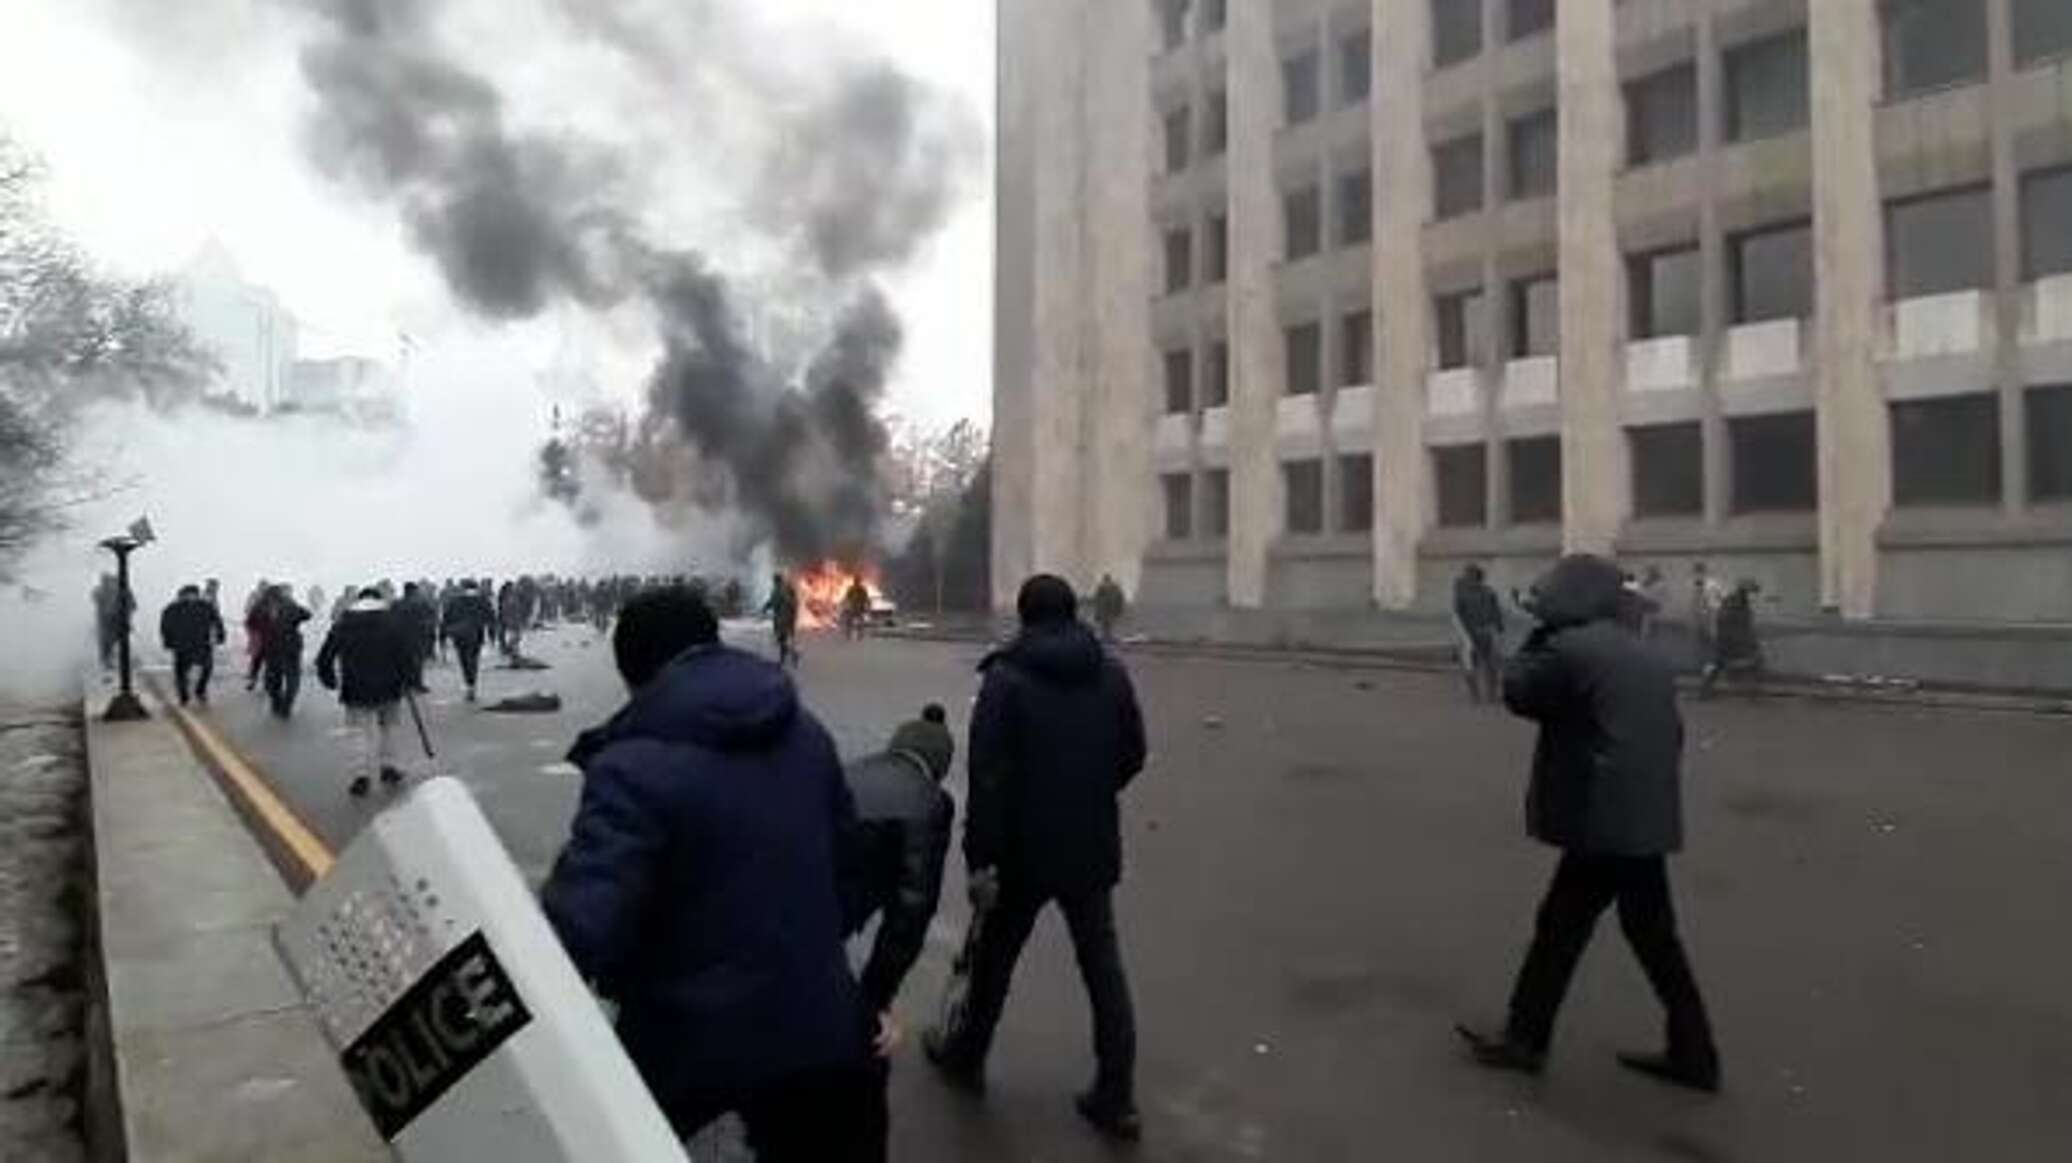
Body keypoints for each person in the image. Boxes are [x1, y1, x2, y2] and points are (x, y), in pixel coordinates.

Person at [540, 587, 884, 1160]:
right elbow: (855, 870)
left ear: (635, 673)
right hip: (814, 1020)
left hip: (684, 1031)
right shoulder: (805, 733)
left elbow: (586, 921)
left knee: (593, 1138)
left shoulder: (632, 765)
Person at [1456, 554, 1720, 1093]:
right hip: (1645, 815)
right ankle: (1695, 1053)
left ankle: (1525, 1040)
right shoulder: (1639, 651)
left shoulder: (1569, 648)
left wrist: (1538, 628)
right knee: (1652, 936)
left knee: (1560, 926)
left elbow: (1519, 692)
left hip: (1605, 820)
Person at [924, 575, 1148, 1142]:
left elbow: (990, 780)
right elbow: (1133, 754)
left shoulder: (1006, 680)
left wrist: (981, 860)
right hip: (1091, 845)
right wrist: (1092, 793)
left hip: (1022, 853)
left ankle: (967, 1056)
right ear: (1074, 612)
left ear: (1024, 618)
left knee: (994, 961)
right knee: (1103, 968)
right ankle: (1117, 1097)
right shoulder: (1111, 674)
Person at [843, 705, 957, 1026]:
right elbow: (912, 910)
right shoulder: (930, 803)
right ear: (940, 766)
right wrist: (876, 997)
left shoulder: (851, 769)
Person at [315, 588, 418, 797]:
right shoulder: (392, 621)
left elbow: (325, 656)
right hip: (390, 685)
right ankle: (389, 767)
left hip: (356, 685)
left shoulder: (345, 622)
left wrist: (329, 679)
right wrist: (410, 678)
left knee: (358, 732)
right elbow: (406, 653)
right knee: (389, 728)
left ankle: (359, 775)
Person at [159, 585, 225, 706]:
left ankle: (200, 689)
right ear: (182, 595)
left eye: (193, 594)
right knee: (181, 672)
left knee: (207, 668)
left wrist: (221, 635)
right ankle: (183, 695)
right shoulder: (172, 609)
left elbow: (217, 621)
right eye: (188, 594)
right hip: (181, 645)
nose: (191, 597)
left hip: (201, 643)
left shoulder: (205, 606)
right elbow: (165, 627)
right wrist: (168, 641)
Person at [1699, 580, 1764, 698]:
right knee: (1718, 664)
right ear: (1745, 592)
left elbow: (1743, 625)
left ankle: (1752, 689)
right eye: (1752, 592)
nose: (1754, 596)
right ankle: (1705, 689)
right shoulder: (1735, 604)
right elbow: (1733, 623)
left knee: (1717, 664)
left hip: (1728, 640)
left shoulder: (1738, 603)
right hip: (1728, 640)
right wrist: (1745, 640)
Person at [1452, 564, 1505, 703]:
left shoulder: (1486, 593)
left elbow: (1496, 612)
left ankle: (1487, 694)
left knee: (1487, 664)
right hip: (1474, 632)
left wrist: (1498, 629)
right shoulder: (1464, 594)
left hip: (1481, 631)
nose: (1467, 578)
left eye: (1469, 576)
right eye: (1467, 576)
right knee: (1475, 664)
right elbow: (1457, 615)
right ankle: (1478, 694)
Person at [260, 585, 312, 719]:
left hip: (272, 646)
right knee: (292, 677)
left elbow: (252, 622)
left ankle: (276, 702)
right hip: (291, 646)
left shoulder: (263, 607)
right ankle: (286, 705)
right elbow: (307, 614)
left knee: (273, 676)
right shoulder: (290, 605)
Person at [441, 579, 497, 701]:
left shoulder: (454, 601)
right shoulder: (482, 600)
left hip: (459, 635)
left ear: (462, 588)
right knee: (473, 659)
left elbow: (446, 618)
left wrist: (443, 637)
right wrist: (492, 637)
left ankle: (469, 683)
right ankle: (471, 684)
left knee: (464, 660)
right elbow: (491, 618)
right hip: (476, 634)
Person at [1688, 562, 1724, 672]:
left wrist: (1708, 612)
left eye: (1698, 572)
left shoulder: (1713, 585)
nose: (1697, 574)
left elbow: (1717, 603)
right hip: (1699, 620)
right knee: (1699, 645)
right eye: (1695, 572)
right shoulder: (1694, 585)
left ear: (1703, 572)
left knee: (1710, 645)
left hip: (1710, 620)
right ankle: (1700, 666)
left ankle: (1711, 668)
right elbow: (1694, 603)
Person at [764, 572, 800, 668]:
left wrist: (765, 608)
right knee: (786, 638)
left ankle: (789, 656)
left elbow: (773, 602)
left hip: (781, 618)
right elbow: (795, 602)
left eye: (774, 580)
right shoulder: (788, 589)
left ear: (776, 580)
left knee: (781, 639)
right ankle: (789, 655)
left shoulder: (777, 590)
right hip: (790, 618)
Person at [243, 579, 272, 691]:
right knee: (257, 657)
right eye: (262, 587)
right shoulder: (254, 597)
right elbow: (247, 610)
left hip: (268, 633)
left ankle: (263, 681)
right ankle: (253, 679)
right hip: (257, 632)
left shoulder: (271, 599)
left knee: (265, 658)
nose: (263, 589)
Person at [1091, 574, 1126, 642]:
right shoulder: (1107, 588)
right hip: (1106, 609)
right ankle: (1107, 636)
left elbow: (1097, 599)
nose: (1106, 583)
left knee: (1107, 624)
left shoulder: (1106, 588)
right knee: (1106, 624)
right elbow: (1097, 600)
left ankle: (1107, 636)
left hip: (1107, 609)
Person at [841, 577, 872, 642]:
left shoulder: (862, 589)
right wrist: (845, 604)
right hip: (853, 607)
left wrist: (868, 605)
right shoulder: (852, 589)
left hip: (859, 607)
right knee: (850, 621)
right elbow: (847, 597)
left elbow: (866, 598)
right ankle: (849, 635)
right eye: (856, 581)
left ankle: (859, 635)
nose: (856, 582)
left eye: (857, 581)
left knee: (859, 622)